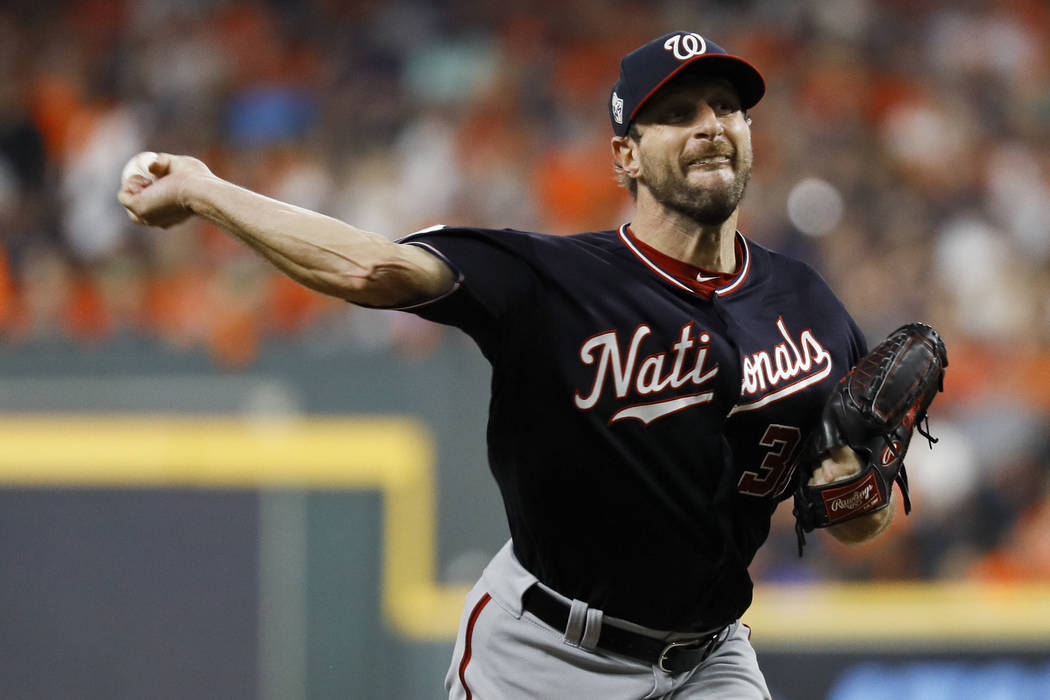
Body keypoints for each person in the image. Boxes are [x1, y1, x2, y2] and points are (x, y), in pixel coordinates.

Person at [120, 31, 895, 700]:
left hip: (711, 658)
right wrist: (204, 189)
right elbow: (371, 271)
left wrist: (853, 493)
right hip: (547, 656)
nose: (710, 127)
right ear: (625, 154)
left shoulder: (810, 306)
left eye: (726, 107)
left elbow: (862, 520)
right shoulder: (551, 281)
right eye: (677, 114)